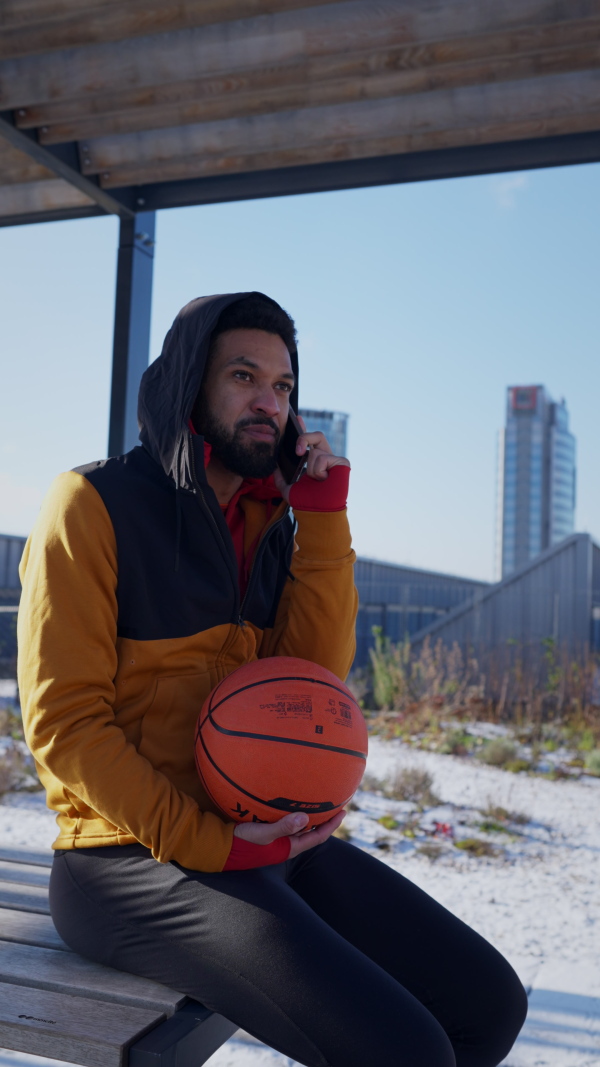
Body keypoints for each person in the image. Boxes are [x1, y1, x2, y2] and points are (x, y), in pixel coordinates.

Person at [18, 292, 527, 1067]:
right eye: (245, 376)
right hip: (122, 860)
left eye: (283, 387)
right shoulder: (91, 505)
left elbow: (312, 690)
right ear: (190, 384)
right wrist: (212, 841)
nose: (269, 401)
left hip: (262, 835)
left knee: (488, 1004)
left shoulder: (272, 523)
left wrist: (322, 516)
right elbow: (66, 729)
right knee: (406, 1050)